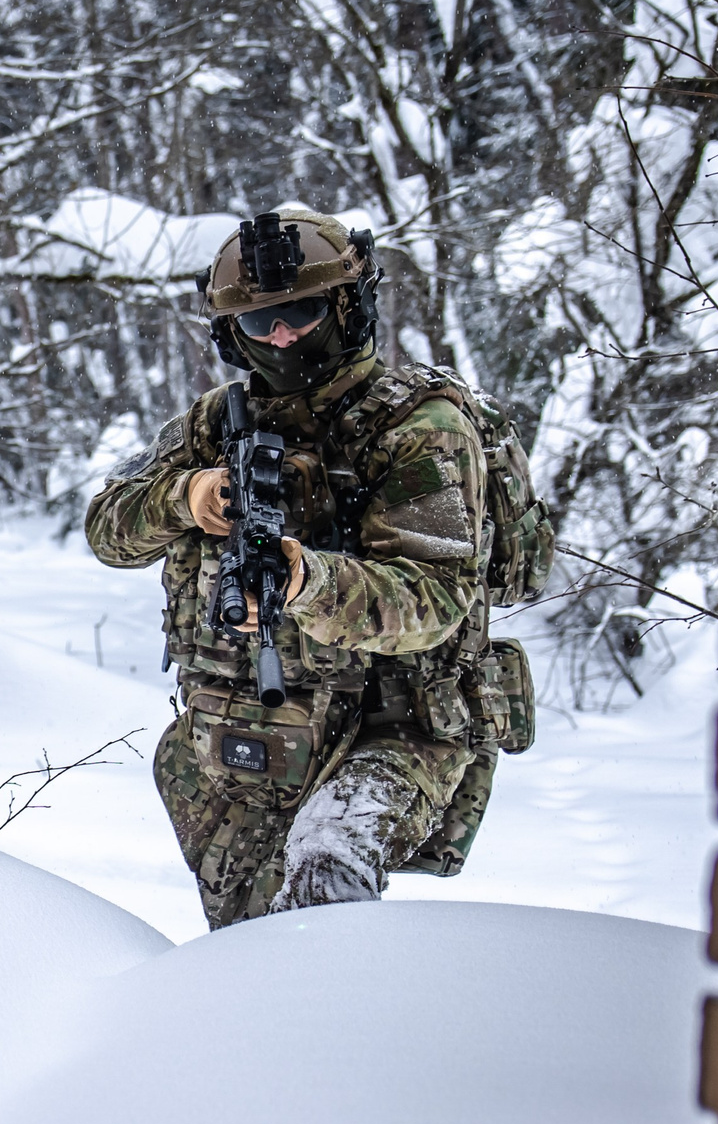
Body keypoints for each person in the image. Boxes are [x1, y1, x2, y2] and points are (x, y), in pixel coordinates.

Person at [85, 207, 547, 928]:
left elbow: (434, 599)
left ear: (346, 306)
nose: (281, 336)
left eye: (300, 312)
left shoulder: (418, 428)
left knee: (325, 877)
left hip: (392, 725)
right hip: (245, 727)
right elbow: (107, 530)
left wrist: (308, 581)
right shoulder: (216, 423)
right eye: (258, 320)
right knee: (248, 936)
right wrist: (187, 496)